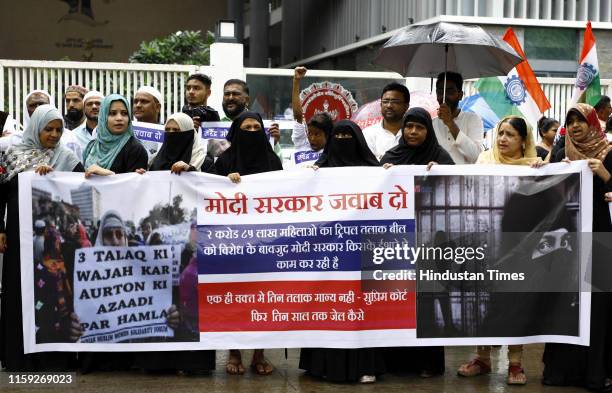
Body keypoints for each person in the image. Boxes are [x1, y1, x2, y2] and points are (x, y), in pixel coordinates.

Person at [458, 115, 542, 385]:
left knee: (515, 302)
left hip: (518, 248)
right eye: (500, 133)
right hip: (485, 245)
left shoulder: (534, 166)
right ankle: (482, 359)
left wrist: (549, 169)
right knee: (485, 302)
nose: (503, 139)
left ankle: (515, 365)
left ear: (523, 140)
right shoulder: (484, 161)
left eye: (510, 135)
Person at [0, 105, 82, 371]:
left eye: (59, 129)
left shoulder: (66, 158)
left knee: (52, 291)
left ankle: (54, 358)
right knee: (18, 291)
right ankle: (19, 357)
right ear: (36, 127)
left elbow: (83, 186)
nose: (54, 135)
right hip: (17, 236)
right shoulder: (12, 154)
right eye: (49, 129)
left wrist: (54, 178)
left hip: (52, 242)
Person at [301, 120, 383, 384]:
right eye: (339, 136)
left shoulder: (375, 171)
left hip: (363, 251)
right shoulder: (317, 170)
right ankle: (323, 365)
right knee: (328, 307)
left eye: (349, 135)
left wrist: (390, 174)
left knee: (362, 310)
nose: (344, 140)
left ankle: (365, 365)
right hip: (328, 252)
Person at [543, 103, 612, 392]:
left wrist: (606, 175)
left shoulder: (608, 153)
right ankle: (562, 372)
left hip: (599, 239)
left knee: (597, 306)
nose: (574, 126)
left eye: (580, 120)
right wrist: (541, 169)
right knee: (566, 302)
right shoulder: (561, 154)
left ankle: (595, 373)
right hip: (567, 240)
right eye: (570, 121)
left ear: (593, 122)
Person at [379, 107, 451, 378]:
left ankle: (427, 363)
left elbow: (453, 189)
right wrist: (383, 175)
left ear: (427, 131)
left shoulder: (439, 157)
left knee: (426, 300)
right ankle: (394, 363)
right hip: (397, 242)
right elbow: (375, 196)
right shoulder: (391, 157)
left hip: (428, 241)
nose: (412, 132)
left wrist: (441, 174)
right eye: (409, 127)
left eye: (419, 127)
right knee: (398, 300)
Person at [215, 112, 282, 376]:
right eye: (247, 128)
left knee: (263, 298)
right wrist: (224, 184)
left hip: (266, 242)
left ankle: (259, 354)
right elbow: (209, 193)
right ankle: (234, 352)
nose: (252, 131)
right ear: (236, 131)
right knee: (236, 298)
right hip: (232, 242)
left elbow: (285, 194)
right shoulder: (224, 161)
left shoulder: (273, 160)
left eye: (257, 127)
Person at [83, 94, 148, 177]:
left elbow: (134, 186)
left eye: (124, 113)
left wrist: (109, 175)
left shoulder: (135, 149)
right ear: (103, 117)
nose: (119, 118)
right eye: (113, 113)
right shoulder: (91, 146)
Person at [221, 79, 283, 162]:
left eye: (236, 94)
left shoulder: (260, 127)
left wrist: (273, 144)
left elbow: (278, 163)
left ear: (247, 100)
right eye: (227, 94)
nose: (230, 97)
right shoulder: (216, 126)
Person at [432, 72, 483, 164]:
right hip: (438, 177)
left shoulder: (473, 119)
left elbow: (476, 157)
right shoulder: (432, 124)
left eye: (450, 92)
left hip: (464, 177)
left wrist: (450, 123)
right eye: (440, 91)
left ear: (460, 95)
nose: (444, 96)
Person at [288, 66, 333, 168]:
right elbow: (298, 116)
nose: (312, 138)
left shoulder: (332, 154)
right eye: (310, 133)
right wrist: (296, 81)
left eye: (317, 134)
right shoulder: (302, 144)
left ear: (328, 135)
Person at [363, 82, 410, 160]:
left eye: (395, 102)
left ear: (406, 106)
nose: (389, 106)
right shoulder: (368, 134)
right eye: (385, 101)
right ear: (381, 105)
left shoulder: (413, 134)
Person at [133, 86, 165, 157]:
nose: (138, 105)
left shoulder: (167, 132)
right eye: (135, 102)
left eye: (144, 101)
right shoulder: (125, 131)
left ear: (157, 107)